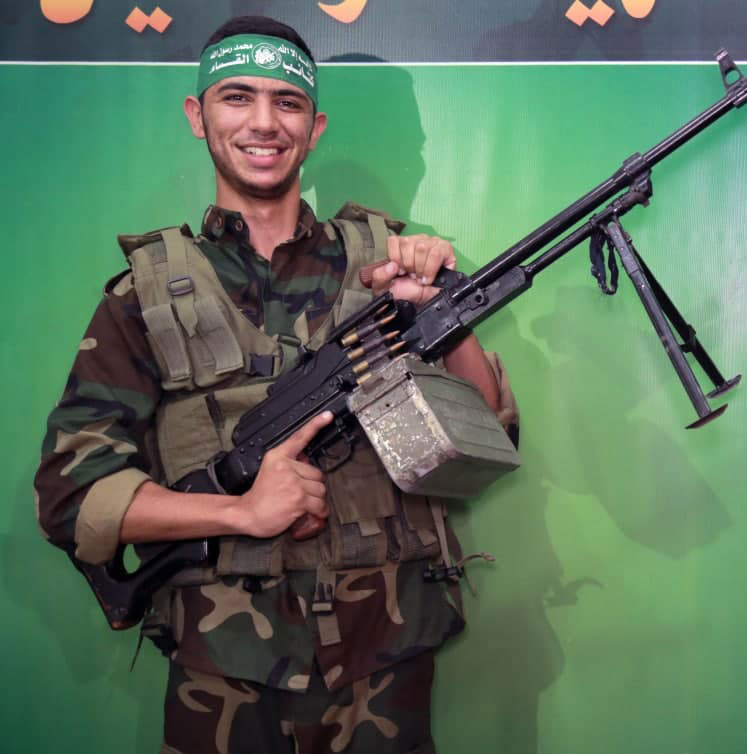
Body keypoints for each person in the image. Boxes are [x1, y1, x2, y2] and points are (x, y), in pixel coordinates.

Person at [34, 15, 516, 754]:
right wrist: (241, 512)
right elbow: (71, 495)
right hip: (224, 672)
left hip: (384, 659)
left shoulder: (385, 265)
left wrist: (442, 307)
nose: (264, 122)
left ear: (313, 127)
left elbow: (490, 435)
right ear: (197, 116)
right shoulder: (145, 296)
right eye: (237, 96)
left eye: (287, 102)